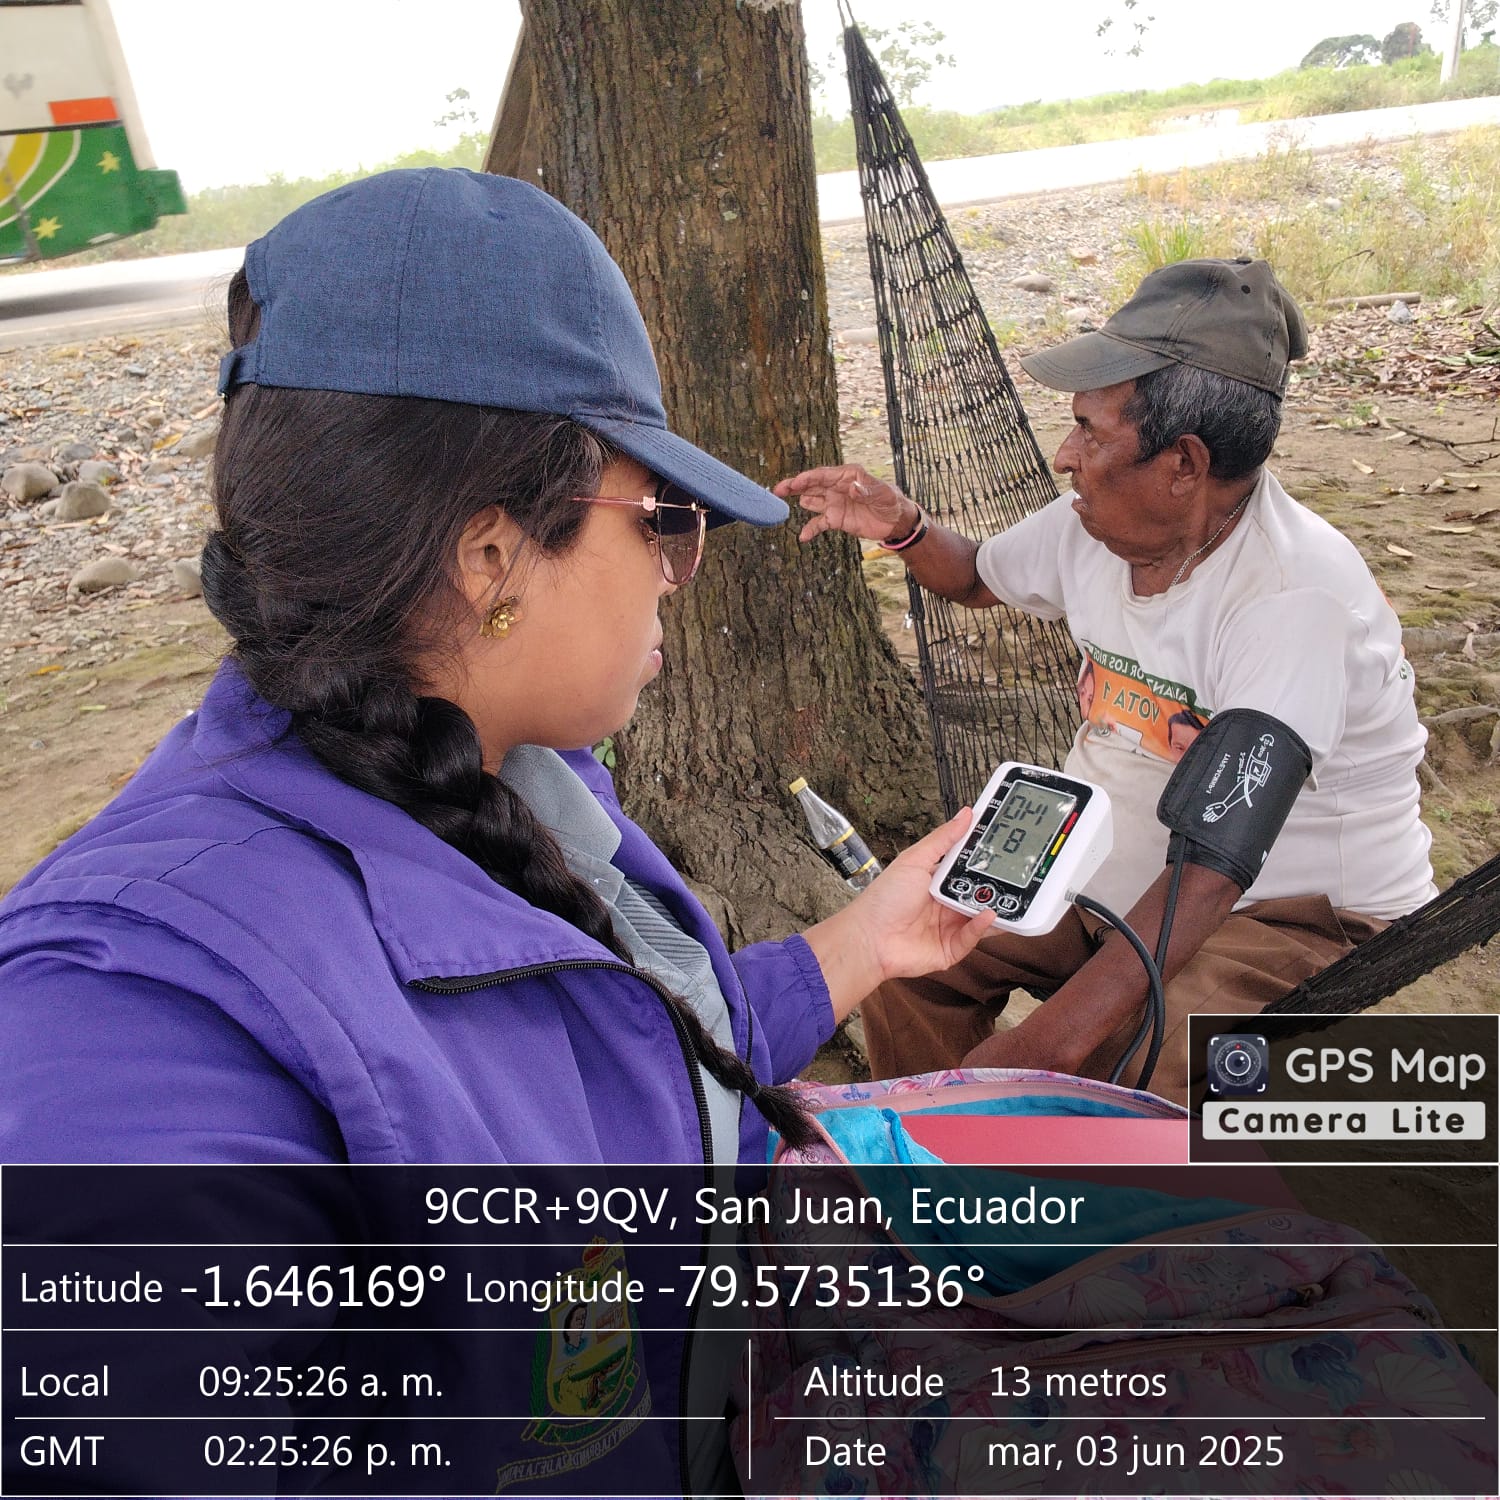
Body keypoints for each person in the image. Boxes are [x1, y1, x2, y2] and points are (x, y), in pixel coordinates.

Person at [0, 169, 991, 1168]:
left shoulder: (510, 776)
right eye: (663, 520)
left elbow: (631, 1063)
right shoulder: (135, 999)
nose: (672, 575)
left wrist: (869, 939)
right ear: (489, 558)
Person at [778, 257, 1435, 1102]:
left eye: (1090, 432)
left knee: (1135, 1069)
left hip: (1284, 911)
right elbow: (976, 576)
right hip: (1108, 871)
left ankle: (1049, 1175)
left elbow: (1216, 862)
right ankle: (927, 1156)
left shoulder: (1291, 599)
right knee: (906, 959)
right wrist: (902, 526)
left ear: (1184, 463)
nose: (1064, 455)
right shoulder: (1092, 527)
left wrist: (1045, 1047)